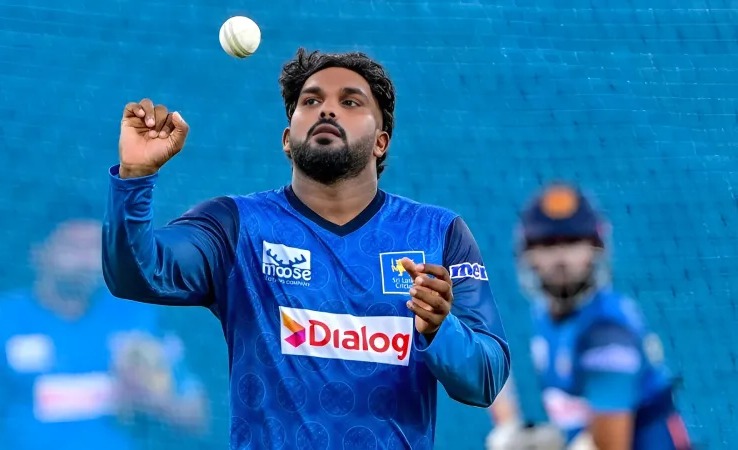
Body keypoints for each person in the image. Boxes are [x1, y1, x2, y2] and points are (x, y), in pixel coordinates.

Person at [102, 47, 511, 448]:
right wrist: (135, 177)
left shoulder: (439, 233)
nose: (327, 110)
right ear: (287, 138)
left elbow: (485, 380)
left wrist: (440, 327)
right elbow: (135, 274)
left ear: (381, 142)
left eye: (350, 102)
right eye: (311, 101)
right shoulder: (235, 226)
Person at [0, 216, 208, 450]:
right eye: (73, 247)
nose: (86, 261)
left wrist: (150, 398)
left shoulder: (136, 317)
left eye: (95, 248)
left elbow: (195, 417)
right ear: (39, 252)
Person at [486, 183, 691, 450]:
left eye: (573, 242)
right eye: (547, 244)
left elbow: (610, 448)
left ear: (596, 248)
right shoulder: (545, 316)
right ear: (528, 254)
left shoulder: (607, 331)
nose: (560, 258)